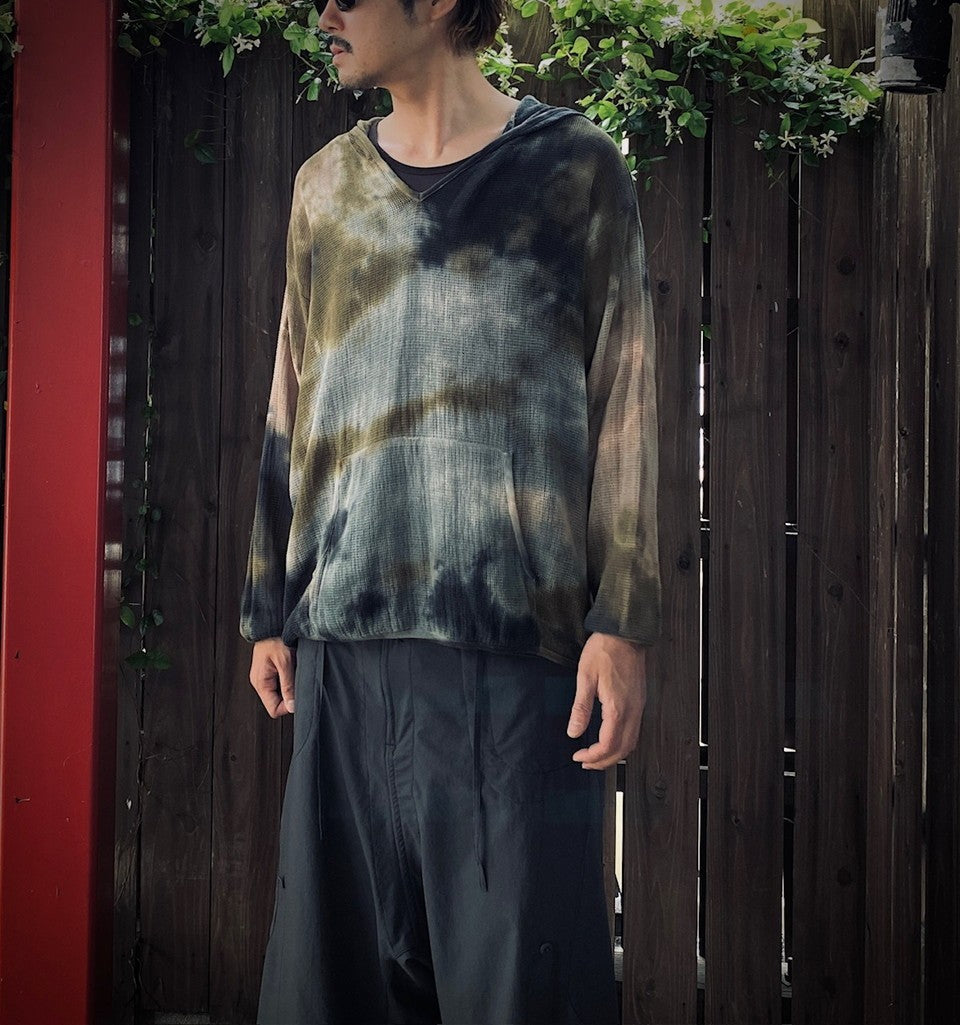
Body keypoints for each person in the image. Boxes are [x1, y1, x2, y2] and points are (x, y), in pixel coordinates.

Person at [239, 0, 662, 1019]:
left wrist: (621, 621)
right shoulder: (324, 188)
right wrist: (268, 605)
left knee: (520, 989)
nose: (324, 13)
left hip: (515, 665)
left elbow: (627, 396)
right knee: (331, 989)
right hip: (342, 657)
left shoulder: (574, 168)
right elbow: (292, 396)